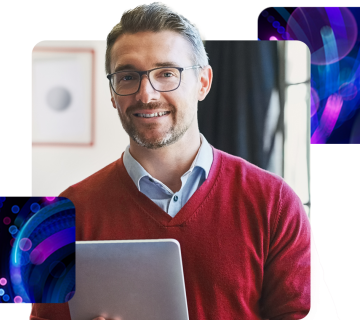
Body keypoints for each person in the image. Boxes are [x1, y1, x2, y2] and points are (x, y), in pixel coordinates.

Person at [29, 2, 320, 320]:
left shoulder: (275, 203)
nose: (147, 95)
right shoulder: (63, 214)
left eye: (167, 73)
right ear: (112, 92)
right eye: (128, 77)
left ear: (203, 83)